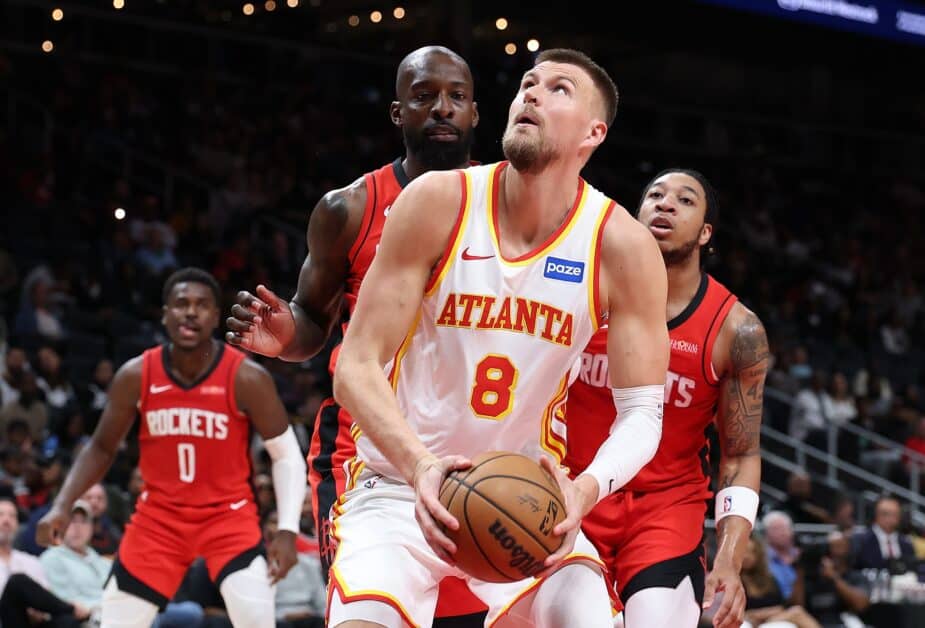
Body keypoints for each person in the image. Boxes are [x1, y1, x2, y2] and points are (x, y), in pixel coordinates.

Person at [329, 48, 669, 628]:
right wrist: (421, 468)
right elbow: (355, 367)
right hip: (399, 487)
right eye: (527, 83)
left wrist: (584, 490)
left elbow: (642, 413)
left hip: (528, 497)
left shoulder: (621, 245)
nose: (530, 93)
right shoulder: (438, 201)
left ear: (594, 133)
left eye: (558, 88)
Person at [225, 45, 486, 623]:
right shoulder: (349, 209)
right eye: (424, 97)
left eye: (457, 97)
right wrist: (285, 336)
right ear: (398, 113)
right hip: (368, 455)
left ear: (475, 112)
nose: (442, 108)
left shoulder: (512, 207)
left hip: (479, 449)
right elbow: (312, 320)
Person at [36, 267, 306, 628]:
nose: (190, 312)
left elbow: (286, 455)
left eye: (201, 305)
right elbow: (100, 447)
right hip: (158, 520)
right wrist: (62, 504)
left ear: (215, 316)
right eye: (181, 304)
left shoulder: (246, 377)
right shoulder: (136, 375)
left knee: (257, 621)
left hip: (228, 517)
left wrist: (287, 530)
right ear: (165, 314)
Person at [563, 169, 768, 627]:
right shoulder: (581, 291)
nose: (666, 204)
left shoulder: (737, 330)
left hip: (665, 509)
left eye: (685, 200)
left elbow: (740, 455)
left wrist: (729, 558)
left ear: (706, 233)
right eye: (654, 195)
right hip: (575, 491)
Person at [0, 495, 89, 628]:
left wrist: (37, 611)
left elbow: (45, 598)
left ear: (17, 524)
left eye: (12, 516)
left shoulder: (31, 561)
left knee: (66, 621)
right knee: (16, 582)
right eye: (0, 515)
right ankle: (71, 609)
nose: (6, 520)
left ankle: (75, 614)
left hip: (36, 623)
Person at [38, 499, 111, 619]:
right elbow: (66, 602)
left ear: (92, 527)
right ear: (59, 527)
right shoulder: (51, 559)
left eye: (83, 521)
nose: (77, 527)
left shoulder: (104, 562)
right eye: (71, 521)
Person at [739, 536, 819, 628]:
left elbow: (781, 606)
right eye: (744, 552)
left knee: (797, 612)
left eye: (752, 552)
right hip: (747, 621)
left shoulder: (768, 579)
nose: (747, 556)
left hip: (770, 619)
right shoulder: (733, 581)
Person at [852, 495, 916, 573]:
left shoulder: (907, 544)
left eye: (895, 514)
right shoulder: (860, 541)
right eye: (885, 514)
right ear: (876, 515)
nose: (890, 518)